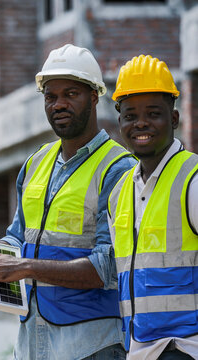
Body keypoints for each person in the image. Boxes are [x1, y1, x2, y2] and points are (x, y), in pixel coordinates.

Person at [0, 44, 136, 360]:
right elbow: (19, 242)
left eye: (70, 94)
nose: (59, 104)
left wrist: (22, 267)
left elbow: (107, 268)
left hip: (92, 344)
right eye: (50, 96)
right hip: (32, 342)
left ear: (94, 96)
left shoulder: (118, 169)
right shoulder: (36, 163)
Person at [107, 54, 198, 360]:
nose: (140, 123)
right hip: (139, 350)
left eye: (153, 113)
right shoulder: (119, 193)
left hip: (185, 349)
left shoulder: (193, 180)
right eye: (130, 115)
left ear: (174, 119)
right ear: (120, 122)